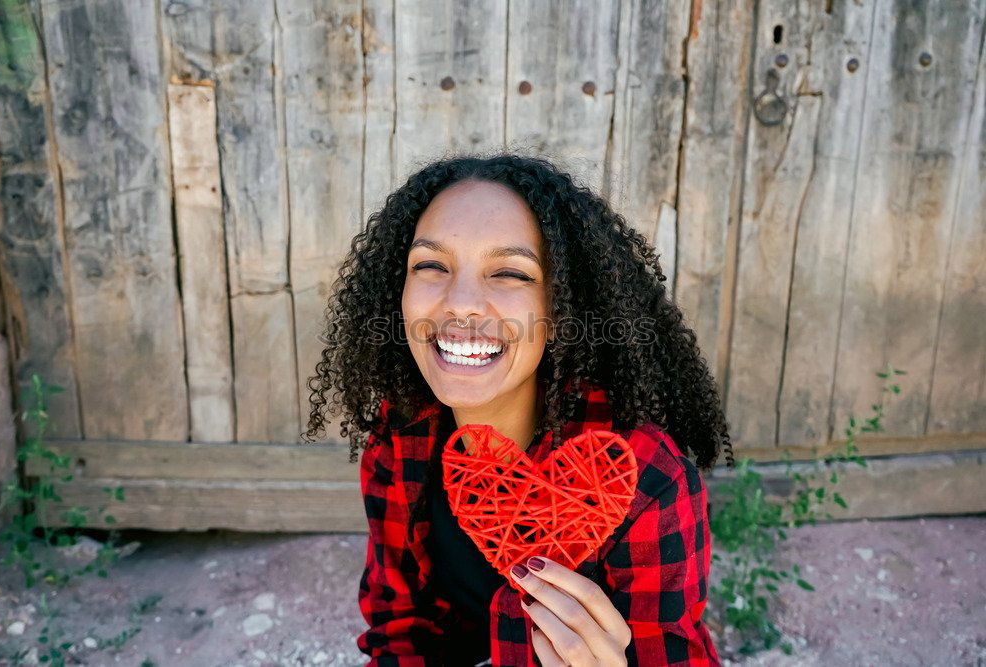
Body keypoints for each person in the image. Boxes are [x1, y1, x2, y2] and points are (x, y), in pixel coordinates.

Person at [302, 152, 734, 666]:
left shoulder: (644, 480)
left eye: (510, 272)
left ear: (561, 307)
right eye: (431, 265)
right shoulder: (400, 436)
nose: (460, 303)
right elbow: (399, 631)